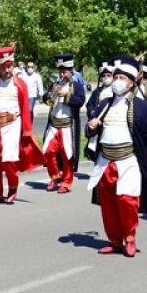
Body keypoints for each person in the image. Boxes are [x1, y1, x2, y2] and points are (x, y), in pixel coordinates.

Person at [86, 55, 147, 256]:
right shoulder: (104, 105)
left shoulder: (141, 105)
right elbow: (91, 131)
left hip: (128, 160)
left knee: (127, 200)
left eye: (122, 78)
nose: (117, 81)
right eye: (116, 77)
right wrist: (91, 127)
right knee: (108, 203)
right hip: (105, 161)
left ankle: (129, 238)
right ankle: (114, 241)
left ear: (130, 82)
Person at [0, 45, 45, 203]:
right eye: (3, 67)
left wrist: (26, 131)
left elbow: (25, 109)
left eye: (9, 66)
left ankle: (13, 187)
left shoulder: (20, 84)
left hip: (11, 125)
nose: (7, 70)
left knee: (9, 160)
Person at [42, 53, 86, 193]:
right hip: (54, 125)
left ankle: (66, 183)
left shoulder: (77, 86)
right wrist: (50, 94)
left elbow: (80, 102)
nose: (62, 74)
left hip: (68, 126)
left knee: (68, 156)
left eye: (64, 71)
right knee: (47, 152)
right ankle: (55, 176)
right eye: (60, 71)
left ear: (71, 71)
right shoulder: (55, 84)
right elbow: (45, 98)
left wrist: (66, 95)